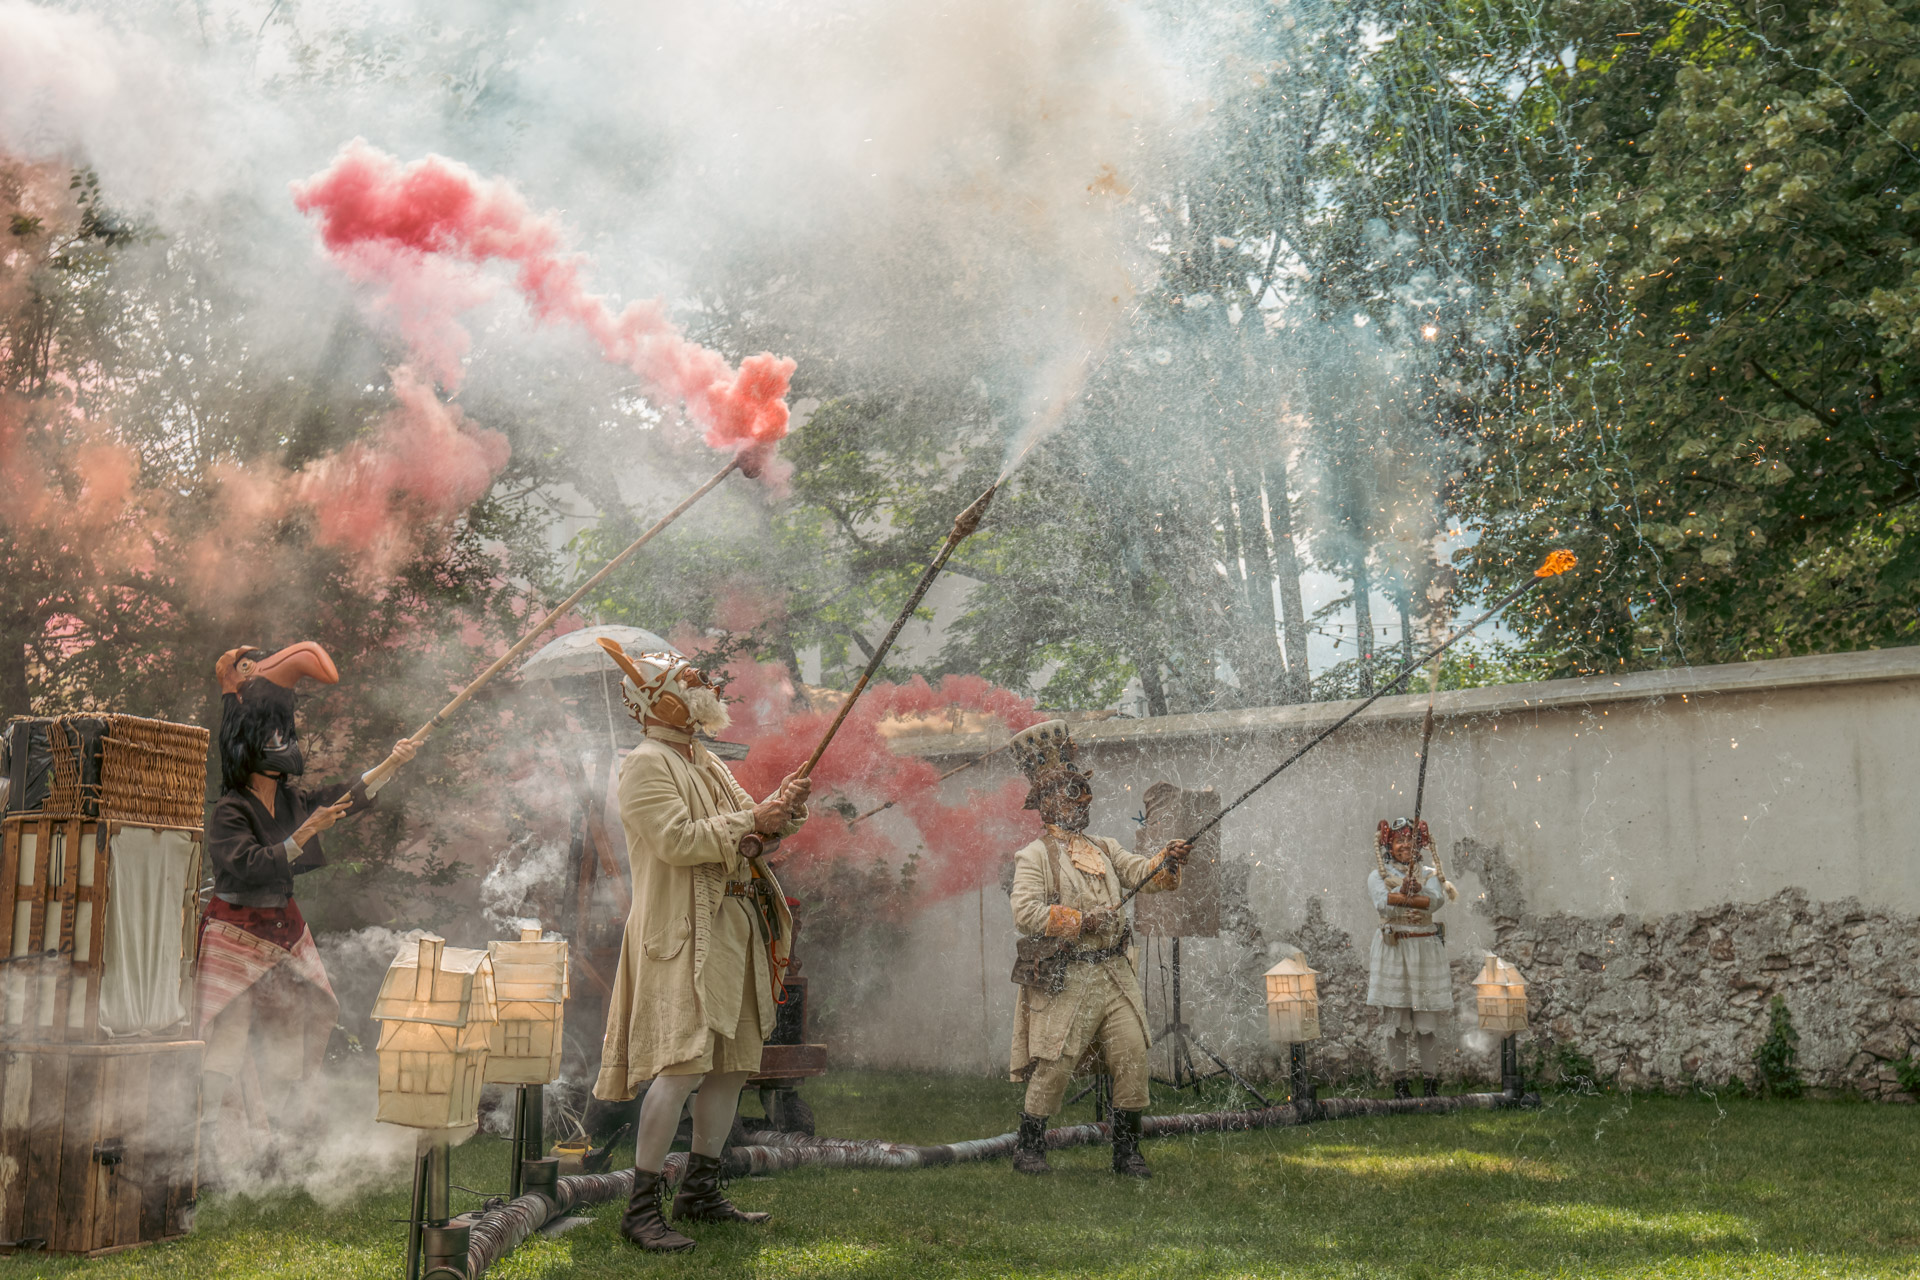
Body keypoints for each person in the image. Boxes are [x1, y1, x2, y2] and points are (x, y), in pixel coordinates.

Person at [592, 638, 810, 1254]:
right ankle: (641, 1211)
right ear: (658, 702)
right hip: (685, 933)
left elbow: (752, 832)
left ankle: (700, 1191)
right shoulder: (643, 763)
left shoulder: (704, 761)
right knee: (684, 1066)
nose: (704, 690)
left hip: (735, 929)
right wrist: (754, 820)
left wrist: (782, 810)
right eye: (690, 683)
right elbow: (679, 841)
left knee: (731, 1067)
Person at [196, 641, 416, 1178]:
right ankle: (204, 1150)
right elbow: (247, 865)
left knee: (294, 1030)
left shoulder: (293, 801)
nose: (280, 741)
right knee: (224, 1041)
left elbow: (344, 797)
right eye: (271, 734)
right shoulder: (228, 810)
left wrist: (393, 761)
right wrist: (301, 839)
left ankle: (280, 1148)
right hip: (234, 931)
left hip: (285, 929)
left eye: (282, 733)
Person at [1004, 719, 1189, 1178]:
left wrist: (1166, 859)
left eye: (1081, 790)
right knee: (1056, 1062)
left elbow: (1143, 873)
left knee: (1131, 1053)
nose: (1083, 799)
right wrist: (1083, 921)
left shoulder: (1105, 847)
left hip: (1115, 973)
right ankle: (1029, 1147)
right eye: (1071, 792)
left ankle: (1127, 1152)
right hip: (1067, 976)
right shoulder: (1034, 856)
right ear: (1047, 802)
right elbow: (1025, 912)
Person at [1365, 817, 1457, 1098]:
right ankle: (1400, 1084)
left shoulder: (1429, 874)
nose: (1405, 845)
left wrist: (1417, 891)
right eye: (1399, 840)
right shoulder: (1377, 876)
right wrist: (1401, 891)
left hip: (1425, 950)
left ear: (1419, 845)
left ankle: (1430, 1084)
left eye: (1410, 840)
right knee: (1398, 1023)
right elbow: (1384, 904)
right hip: (1395, 950)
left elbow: (1436, 900)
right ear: (1389, 845)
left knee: (1427, 1023)